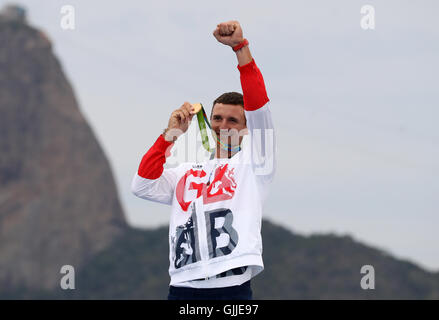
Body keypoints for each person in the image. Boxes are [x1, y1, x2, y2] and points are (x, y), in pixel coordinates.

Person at [131, 20, 276, 300]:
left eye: (233, 120)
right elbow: (143, 185)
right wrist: (171, 134)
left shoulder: (256, 164)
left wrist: (240, 48)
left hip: (231, 287)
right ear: (209, 121)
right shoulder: (185, 171)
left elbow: (259, 107)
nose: (223, 125)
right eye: (218, 118)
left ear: (247, 128)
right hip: (183, 286)